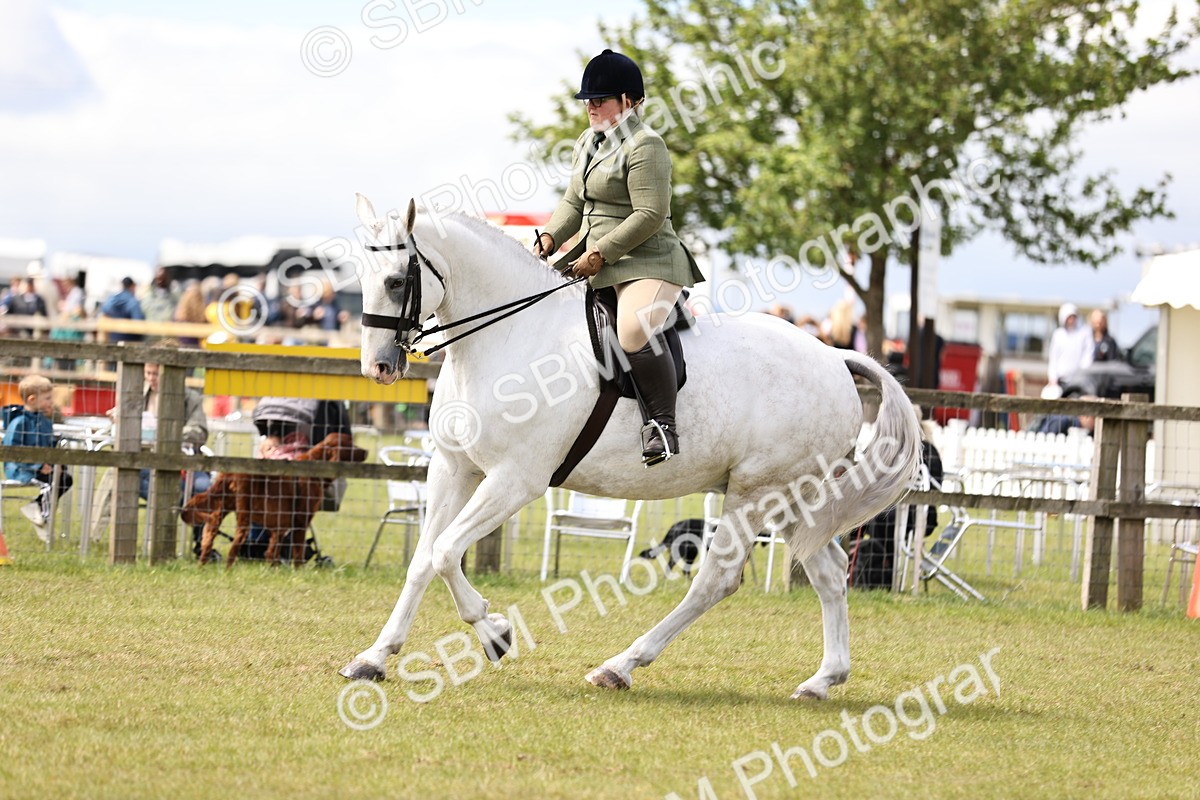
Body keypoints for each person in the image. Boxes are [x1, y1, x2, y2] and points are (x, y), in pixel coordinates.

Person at [533, 49, 705, 466]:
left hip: (649, 261)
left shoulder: (647, 145)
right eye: (588, 100)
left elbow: (650, 215)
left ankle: (663, 425)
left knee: (631, 332)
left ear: (629, 101)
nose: (591, 106)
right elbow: (575, 200)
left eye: (601, 99)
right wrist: (549, 237)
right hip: (596, 258)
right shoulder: (586, 143)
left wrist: (600, 253)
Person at [2, 375, 72, 543]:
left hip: (42, 468)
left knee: (65, 479)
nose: (51, 401)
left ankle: (37, 509)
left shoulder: (46, 422)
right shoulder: (18, 422)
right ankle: (41, 512)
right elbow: (12, 452)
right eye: (48, 398)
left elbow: (50, 446)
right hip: (20, 470)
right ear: (32, 399)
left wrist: (56, 463)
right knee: (50, 481)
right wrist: (37, 466)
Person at [1046, 302, 1092, 387]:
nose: (1071, 320)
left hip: (1078, 381)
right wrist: (1053, 378)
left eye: (1073, 317)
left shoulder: (1084, 333)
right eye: (1069, 317)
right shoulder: (1058, 334)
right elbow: (1053, 358)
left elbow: (1087, 356)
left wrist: (1082, 373)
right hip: (1060, 381)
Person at [99, 276, 145, 343]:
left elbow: (103, 314)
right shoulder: (133, 301)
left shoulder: (111, 299)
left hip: (112, 339)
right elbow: (138, 322)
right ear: (132, 286)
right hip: (129, 342)